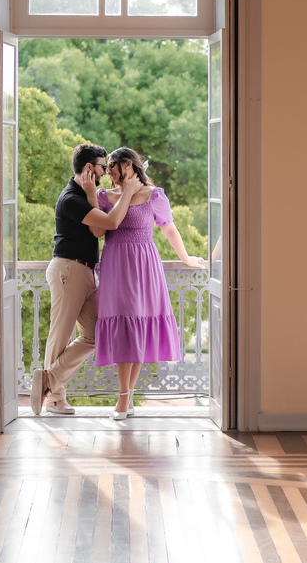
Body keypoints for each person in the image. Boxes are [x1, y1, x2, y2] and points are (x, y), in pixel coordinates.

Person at [30, 144, 144, 415]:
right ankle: (55, 398)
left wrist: (93, 193)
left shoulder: (84, 194)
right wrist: (127, 192)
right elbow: (108, 225)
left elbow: (96, 231)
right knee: (59, 335)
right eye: (103, 166)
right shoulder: (72, 198)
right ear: (89, 168)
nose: (107, 172)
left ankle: (50, 379)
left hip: (85, 272)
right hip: (69, 271)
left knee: (96, 333)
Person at [94, 147, 204, 420]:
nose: (108, 172)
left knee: (138, 325)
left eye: (112, 166)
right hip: (116, 264)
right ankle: (124, 397)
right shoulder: (105, 196)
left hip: (144, 265)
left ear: (127, 165)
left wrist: (186, 257)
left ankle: (126, 396)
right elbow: (98, 230)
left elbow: (169, 228)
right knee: (123, 326)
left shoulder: (154, 195)